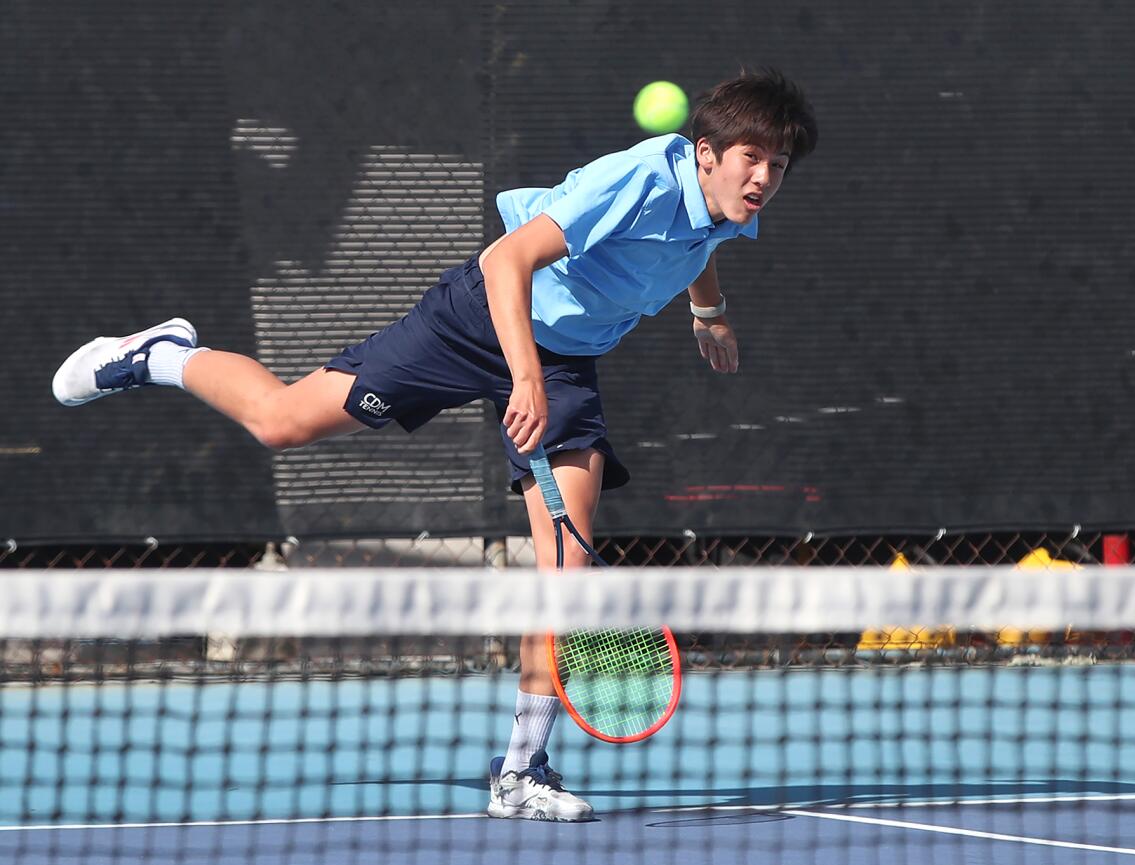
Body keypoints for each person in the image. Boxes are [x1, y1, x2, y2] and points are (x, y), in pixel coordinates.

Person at [51, 67, 817, 822]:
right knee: (281, 422)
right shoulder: (639, 179)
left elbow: (694, 247)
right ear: (707, 151)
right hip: (477, 322)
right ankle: (158, 355)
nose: (764, 178)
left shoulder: (726, 206)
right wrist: (523, 375)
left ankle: (521, 771)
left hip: (563, 360)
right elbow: (504, 260)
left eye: (777, 165)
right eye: (753, 158)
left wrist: (707, 314)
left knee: (566, 572)